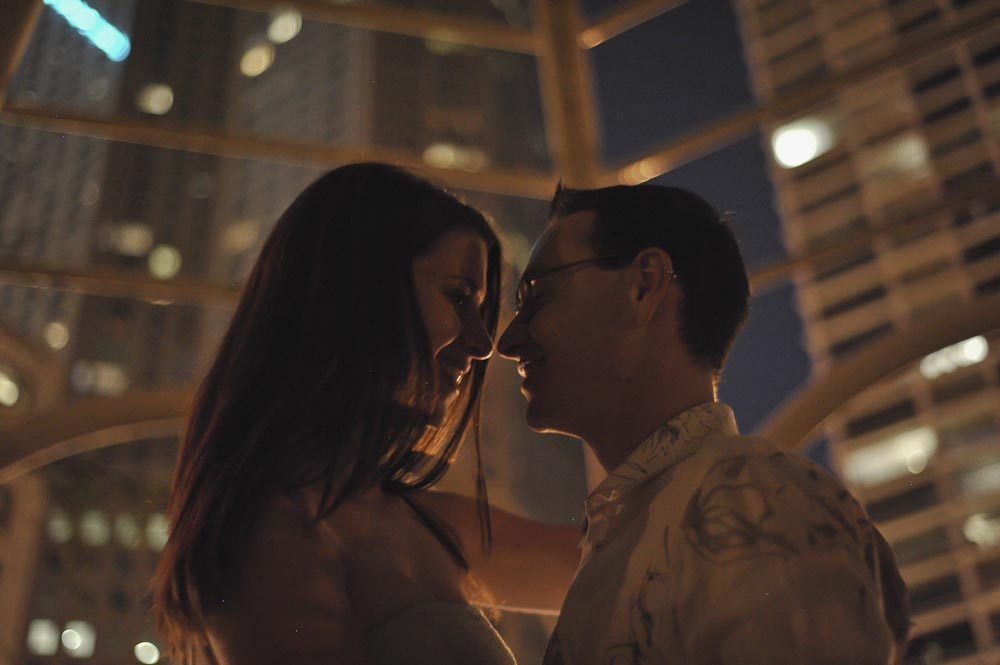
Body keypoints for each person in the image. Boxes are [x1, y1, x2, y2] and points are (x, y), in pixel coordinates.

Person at [151, 162, 579, 665]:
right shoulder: (268, 530)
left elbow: (631, 564)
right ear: (357, 293)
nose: (482, 343)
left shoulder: (423, 524)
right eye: (459, 297)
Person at [497, 183, 911, 665]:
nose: (508, 340)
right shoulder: (651, 524)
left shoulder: (746, 497)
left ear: (644, 284)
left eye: (536, 295)